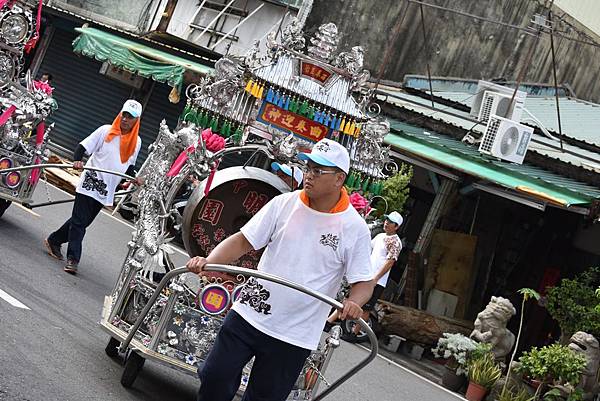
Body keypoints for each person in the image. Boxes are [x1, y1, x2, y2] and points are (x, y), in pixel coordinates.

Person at [186, 138, 374, 401]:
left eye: (318, 171)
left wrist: (353, 302)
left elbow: (364, 283)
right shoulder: (284, 203)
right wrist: (210, 262)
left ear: (339, 179)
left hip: (295, 334)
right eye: (308, 167)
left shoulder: (354, 228)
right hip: (250, 312)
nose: (309, 175)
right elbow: (243, 240)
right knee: (214, 375)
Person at [44, 99, 144, 274]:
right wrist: (76, 160)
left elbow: (129, 166)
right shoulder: (106, 131)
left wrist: (132, 179)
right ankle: (73, 259)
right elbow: (82, 146)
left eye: (131, 117)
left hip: (106, 190)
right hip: (89, 182)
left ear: (137, 121)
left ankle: (54, 239)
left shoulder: (137, 142)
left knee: (82, 222)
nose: (126, 120)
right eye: (125, 115)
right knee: (79, 223)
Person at [325, 211, 403, 342]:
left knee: (366, 308)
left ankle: (353, 333)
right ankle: (328, 322)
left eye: (390, 222)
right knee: (349, 299)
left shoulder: (395, 242)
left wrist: (376, 278)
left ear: (396, 227)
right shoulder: (380, 236)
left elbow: (390, 262)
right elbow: (367, 249)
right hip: (365, 275)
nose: (387, 223)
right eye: (386, 220)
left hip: (376, 281)